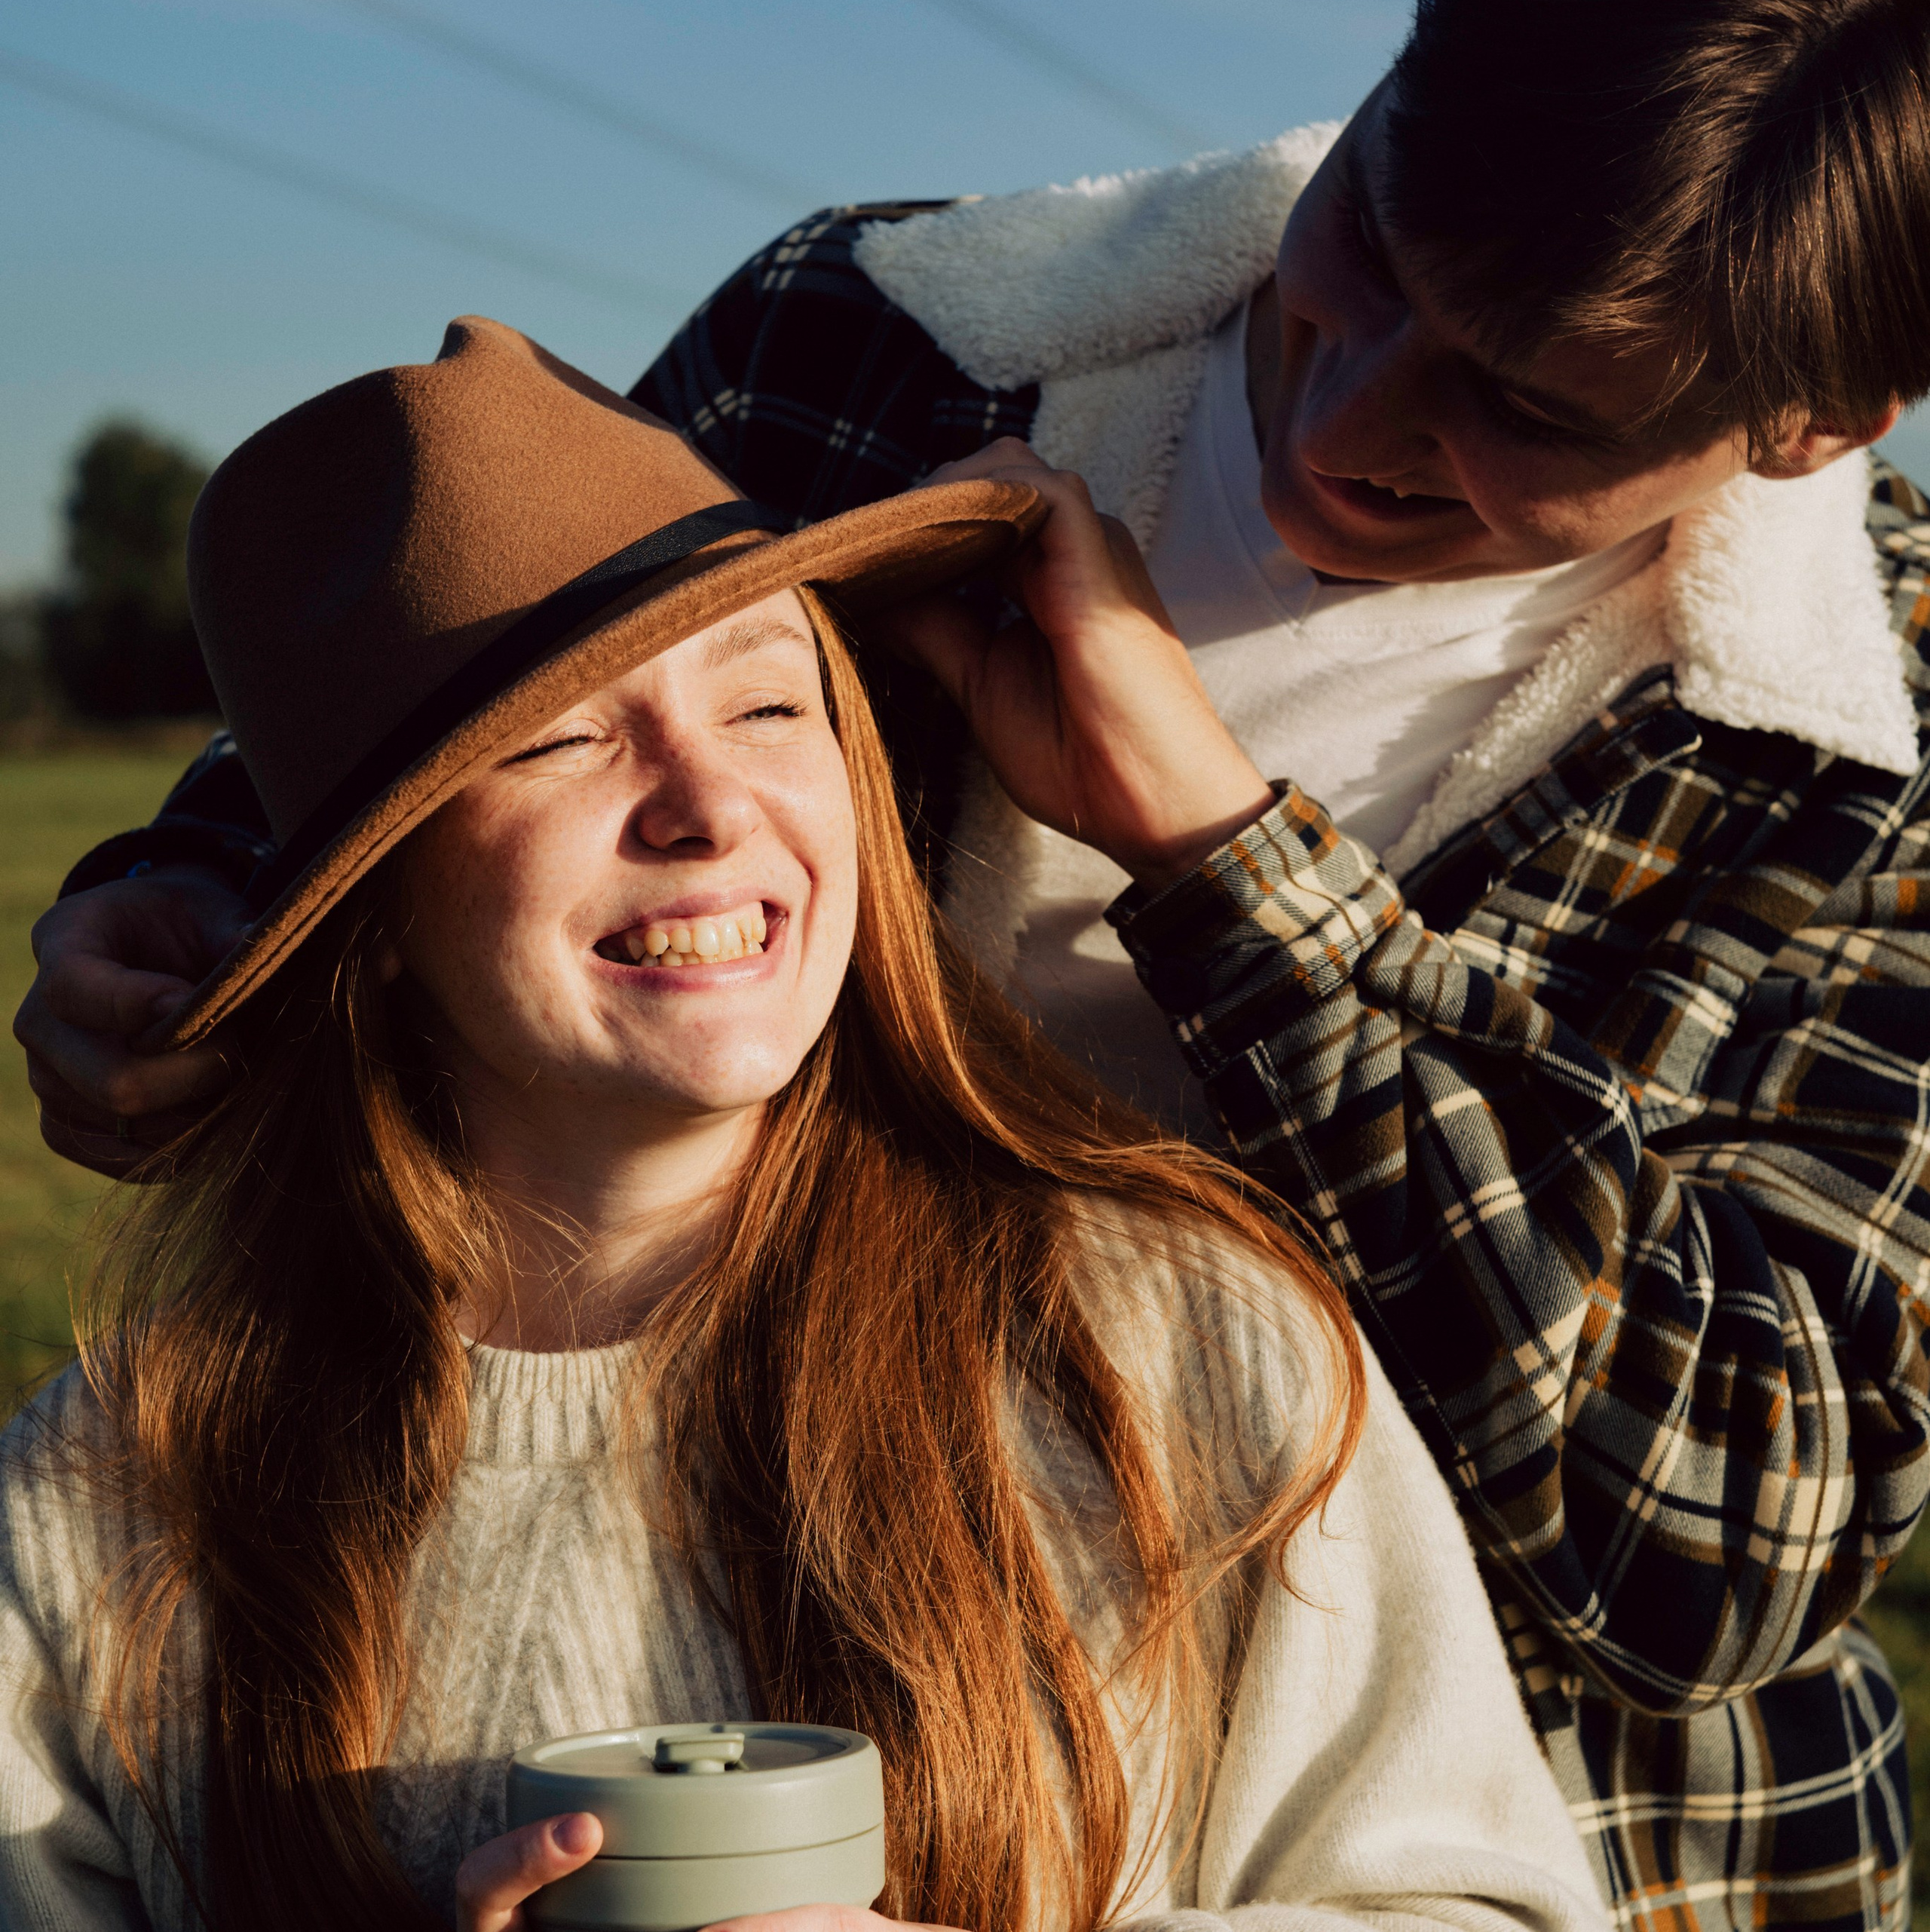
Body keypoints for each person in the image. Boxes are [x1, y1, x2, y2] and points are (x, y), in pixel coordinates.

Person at [16, 2, 1930, 1927]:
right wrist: (194, 897)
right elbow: (476, 670)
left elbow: (1722, 1545)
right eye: (1365, 242)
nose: (1346, 417)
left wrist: (1229, 870)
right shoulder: (882, 340)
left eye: (1527, 410)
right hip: (764, 1634)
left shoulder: (1885, 745)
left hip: (1517, 1828)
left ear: (1816, 422)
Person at [0, 318, 1610, 1932]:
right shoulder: (105, 1499)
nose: (709, 807)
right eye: (560, 736)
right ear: (371, 902)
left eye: (769, 706)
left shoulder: (1175, 1343)